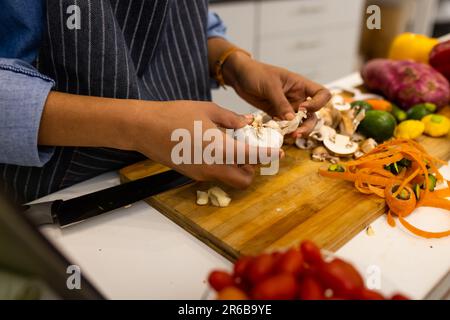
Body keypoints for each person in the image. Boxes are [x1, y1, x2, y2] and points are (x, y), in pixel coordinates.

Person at [0, 0, 331, 203]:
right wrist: (139, 125)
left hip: (183, 175)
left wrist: (231, 63)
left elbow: (179, 19)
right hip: (64, 193)